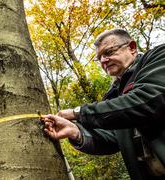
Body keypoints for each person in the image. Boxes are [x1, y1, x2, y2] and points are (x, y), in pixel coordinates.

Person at [40, 29, 165, 180]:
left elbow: (148, 100)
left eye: (109, 52)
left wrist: (78, 112)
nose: (103, 61)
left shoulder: (158, 57)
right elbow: (112, 138)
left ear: (132, 47)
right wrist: (75, 132)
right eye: (99, 58)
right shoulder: (113, 95)